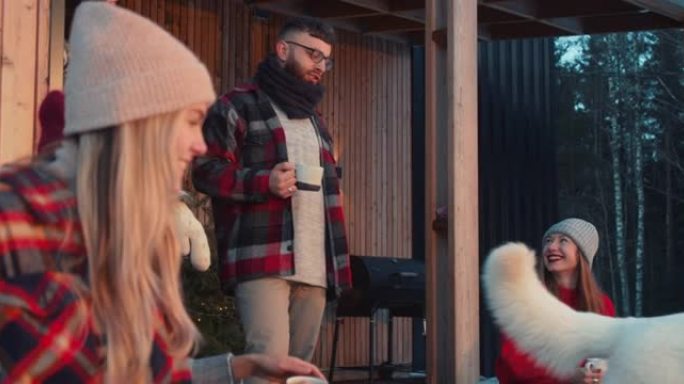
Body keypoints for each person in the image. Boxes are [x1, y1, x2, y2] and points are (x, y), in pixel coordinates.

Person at [0, 3, 324, 383]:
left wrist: (238, 368)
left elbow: (136, 375)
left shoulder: (121, 231)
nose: (198, 145)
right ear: (137, 123)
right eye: (188, 122)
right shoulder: (20, 221)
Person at [192, 16, 352, 381]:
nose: (320, 66)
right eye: (313, 54)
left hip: (316, 265)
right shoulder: (237, 104)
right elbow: (205, 171)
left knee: (301, 375)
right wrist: (264, 182)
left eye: (326, 60)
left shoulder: (316, 122)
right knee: (266, 367)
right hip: (262, 259)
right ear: (283, 50)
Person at [495, 218, 616, 384]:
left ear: (581, 253)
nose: (551, 247)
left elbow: (607, 359)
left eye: (563, 240)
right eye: (548, 241)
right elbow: (515, 362)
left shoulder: (602, 305)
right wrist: (570, 376)